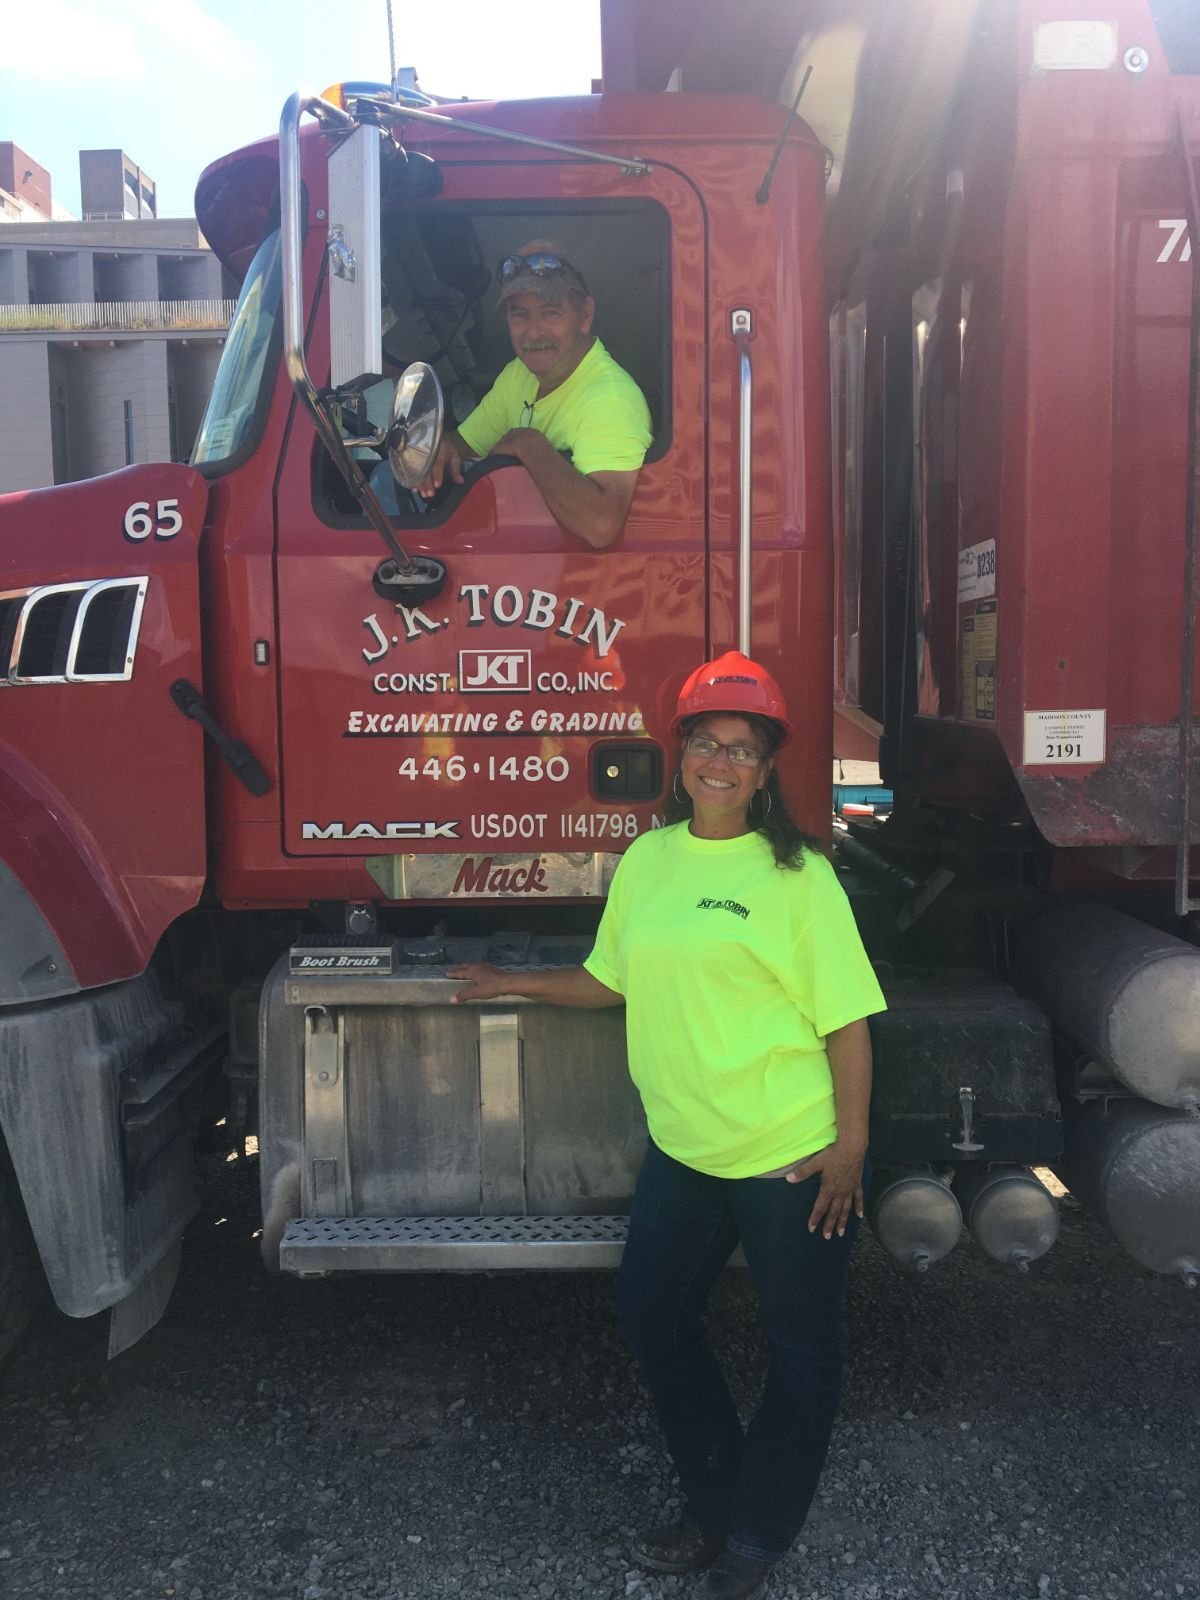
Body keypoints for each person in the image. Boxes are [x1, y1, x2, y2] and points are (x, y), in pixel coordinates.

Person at [449, 652, 886, 1599]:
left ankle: (756, 1542)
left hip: (788, 1159)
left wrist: (848, 1150)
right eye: (705, 742)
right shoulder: (649, 860)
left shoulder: (798, 877)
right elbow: (611, 980)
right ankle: (713, 1502)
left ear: (766, 771)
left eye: (742, 748)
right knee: (652, 1320)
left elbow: (848, 1022)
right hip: (686, 1152)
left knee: (803, 1351)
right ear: (680, 754)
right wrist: (510, 980)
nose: (720, 761)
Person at [417, 241, 652, 548]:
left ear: (585, 315)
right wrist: (440, 447)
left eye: (550, 313)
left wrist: (528, 444)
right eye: (521, 315)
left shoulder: (610, 398)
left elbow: (601, 525)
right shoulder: (519, 373)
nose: (534, 332)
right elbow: (466, 447)